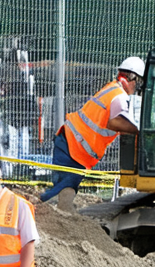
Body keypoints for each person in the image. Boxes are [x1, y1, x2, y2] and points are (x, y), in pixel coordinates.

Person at [39, 55, 144, 211]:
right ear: (131, 77)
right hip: (73, 147)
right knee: (61, 191)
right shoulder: (120, 97)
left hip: (70, 143)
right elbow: (114, 122)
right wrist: (139, 131)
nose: (137, 87)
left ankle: (50, 214)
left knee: (65, 189)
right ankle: (32, 210)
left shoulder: (111, 89)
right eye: (138, 82)